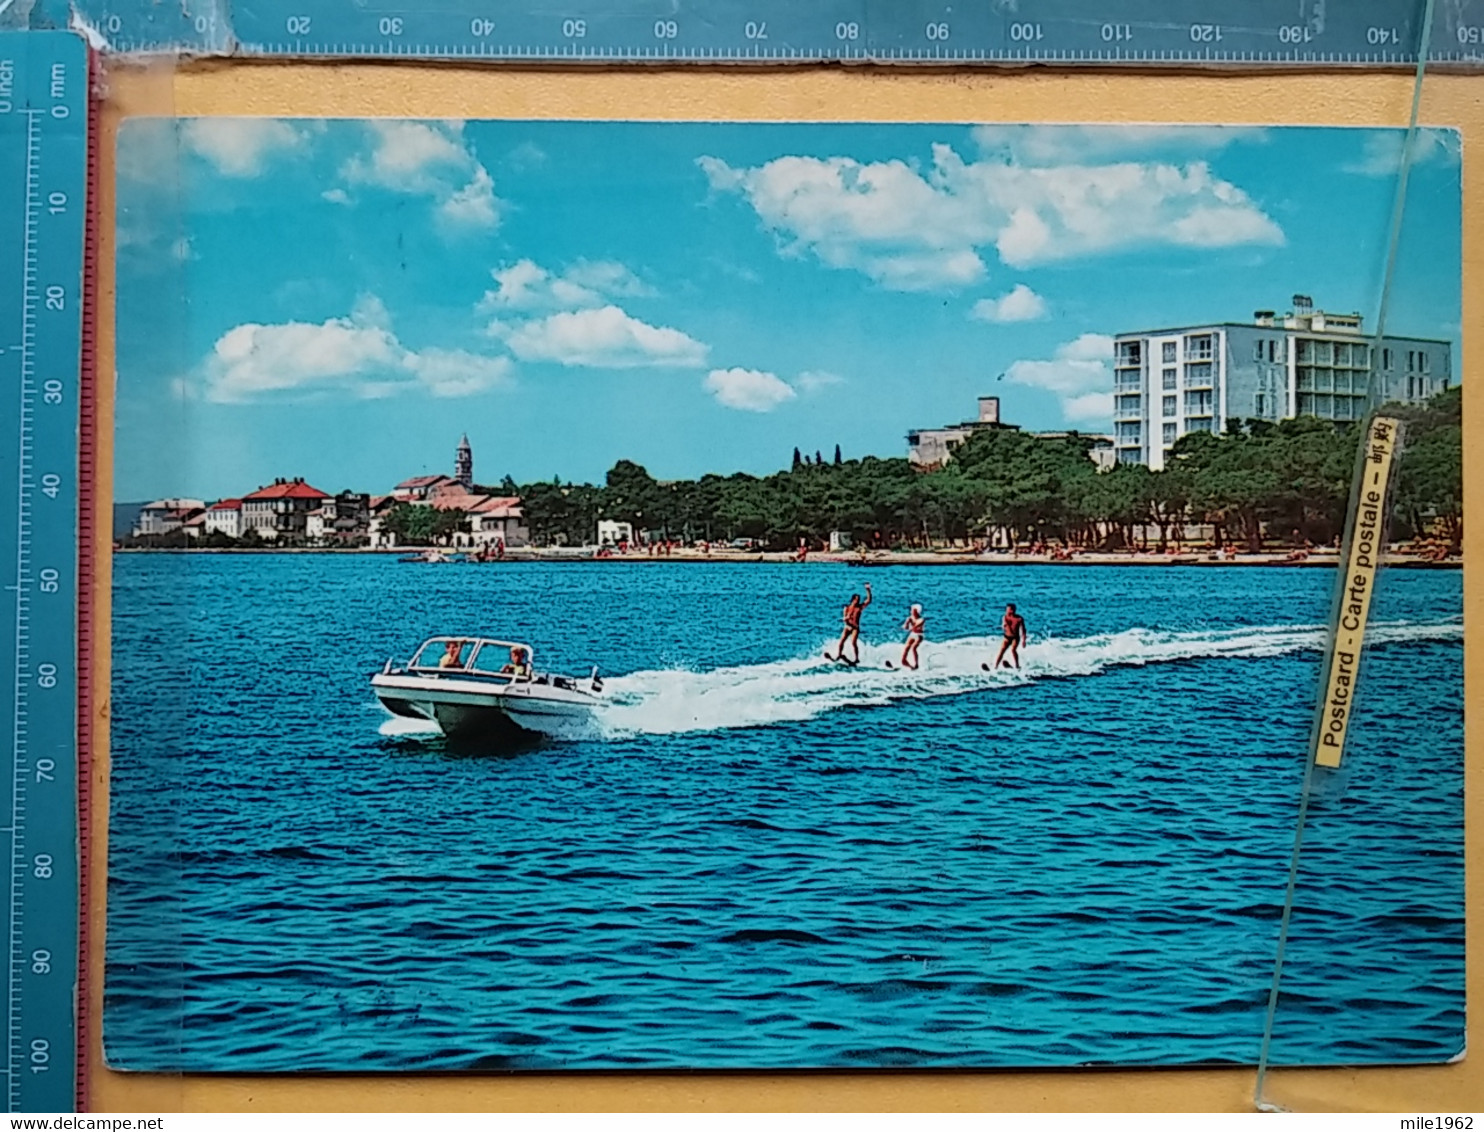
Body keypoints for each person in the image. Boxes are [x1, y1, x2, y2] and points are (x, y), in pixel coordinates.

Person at [830, 582, 872, 665]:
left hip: (855, 628)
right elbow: (845, 619)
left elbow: (869, 600)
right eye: (856, 599)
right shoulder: (847, 608)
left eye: (858, 600)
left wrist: (868, 590)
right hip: (847, 627)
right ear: (853, 600)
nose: (858, 601)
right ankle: (838, 655)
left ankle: (856, 658)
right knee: (842, 641)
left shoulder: (860, 607)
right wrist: (846, 619)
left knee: (853, 642)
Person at [993, 603, 1027, 670]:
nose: (1007, 611)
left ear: (1012, 610)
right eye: (1006, 610)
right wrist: (1004, 625)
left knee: (1013, 650)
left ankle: (1017, 666)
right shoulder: (1005, 617)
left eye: (1008, 610)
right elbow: (1003, 625)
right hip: (1007, 637)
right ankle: (996, 666)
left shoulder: (1019, 619)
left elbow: (1023, 630)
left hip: (1015, 637)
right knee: (1002, 651)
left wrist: (1024, 640)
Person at [900, 603, 925, 670]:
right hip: (912, 634)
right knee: (906, 648)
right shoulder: (910, 618)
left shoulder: (921, 619)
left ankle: (916, 664)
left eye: (913, 610)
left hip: (919, 635)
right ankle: (905, 662)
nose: (911, 611)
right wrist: (905, 625)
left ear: (917, 611)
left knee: (914, 648)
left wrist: (912, 627)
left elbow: (917, 625)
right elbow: (905, 626)